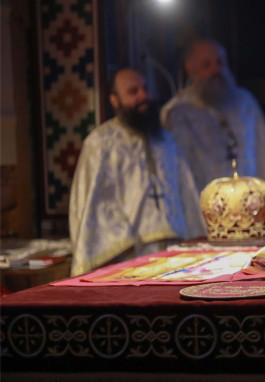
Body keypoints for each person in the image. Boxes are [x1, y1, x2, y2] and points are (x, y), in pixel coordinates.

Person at [69, 68, 205, 276]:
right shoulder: (101, 144)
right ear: (115, 100)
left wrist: (195, 239)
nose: (143, 96)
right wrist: (125, 244)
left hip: (177, 253)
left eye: (145, 88)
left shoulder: (167, 140)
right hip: (129, 257)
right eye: (133, 91)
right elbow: (96, 208)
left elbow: (187, 195)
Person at [160, 39, 265, 236]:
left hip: (254, 216)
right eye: (206, 65)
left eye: (220, 63)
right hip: (205, 222)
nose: (216, 70)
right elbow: (180, 176)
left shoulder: (244, 103)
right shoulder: (176, 113)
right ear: (190, 69)